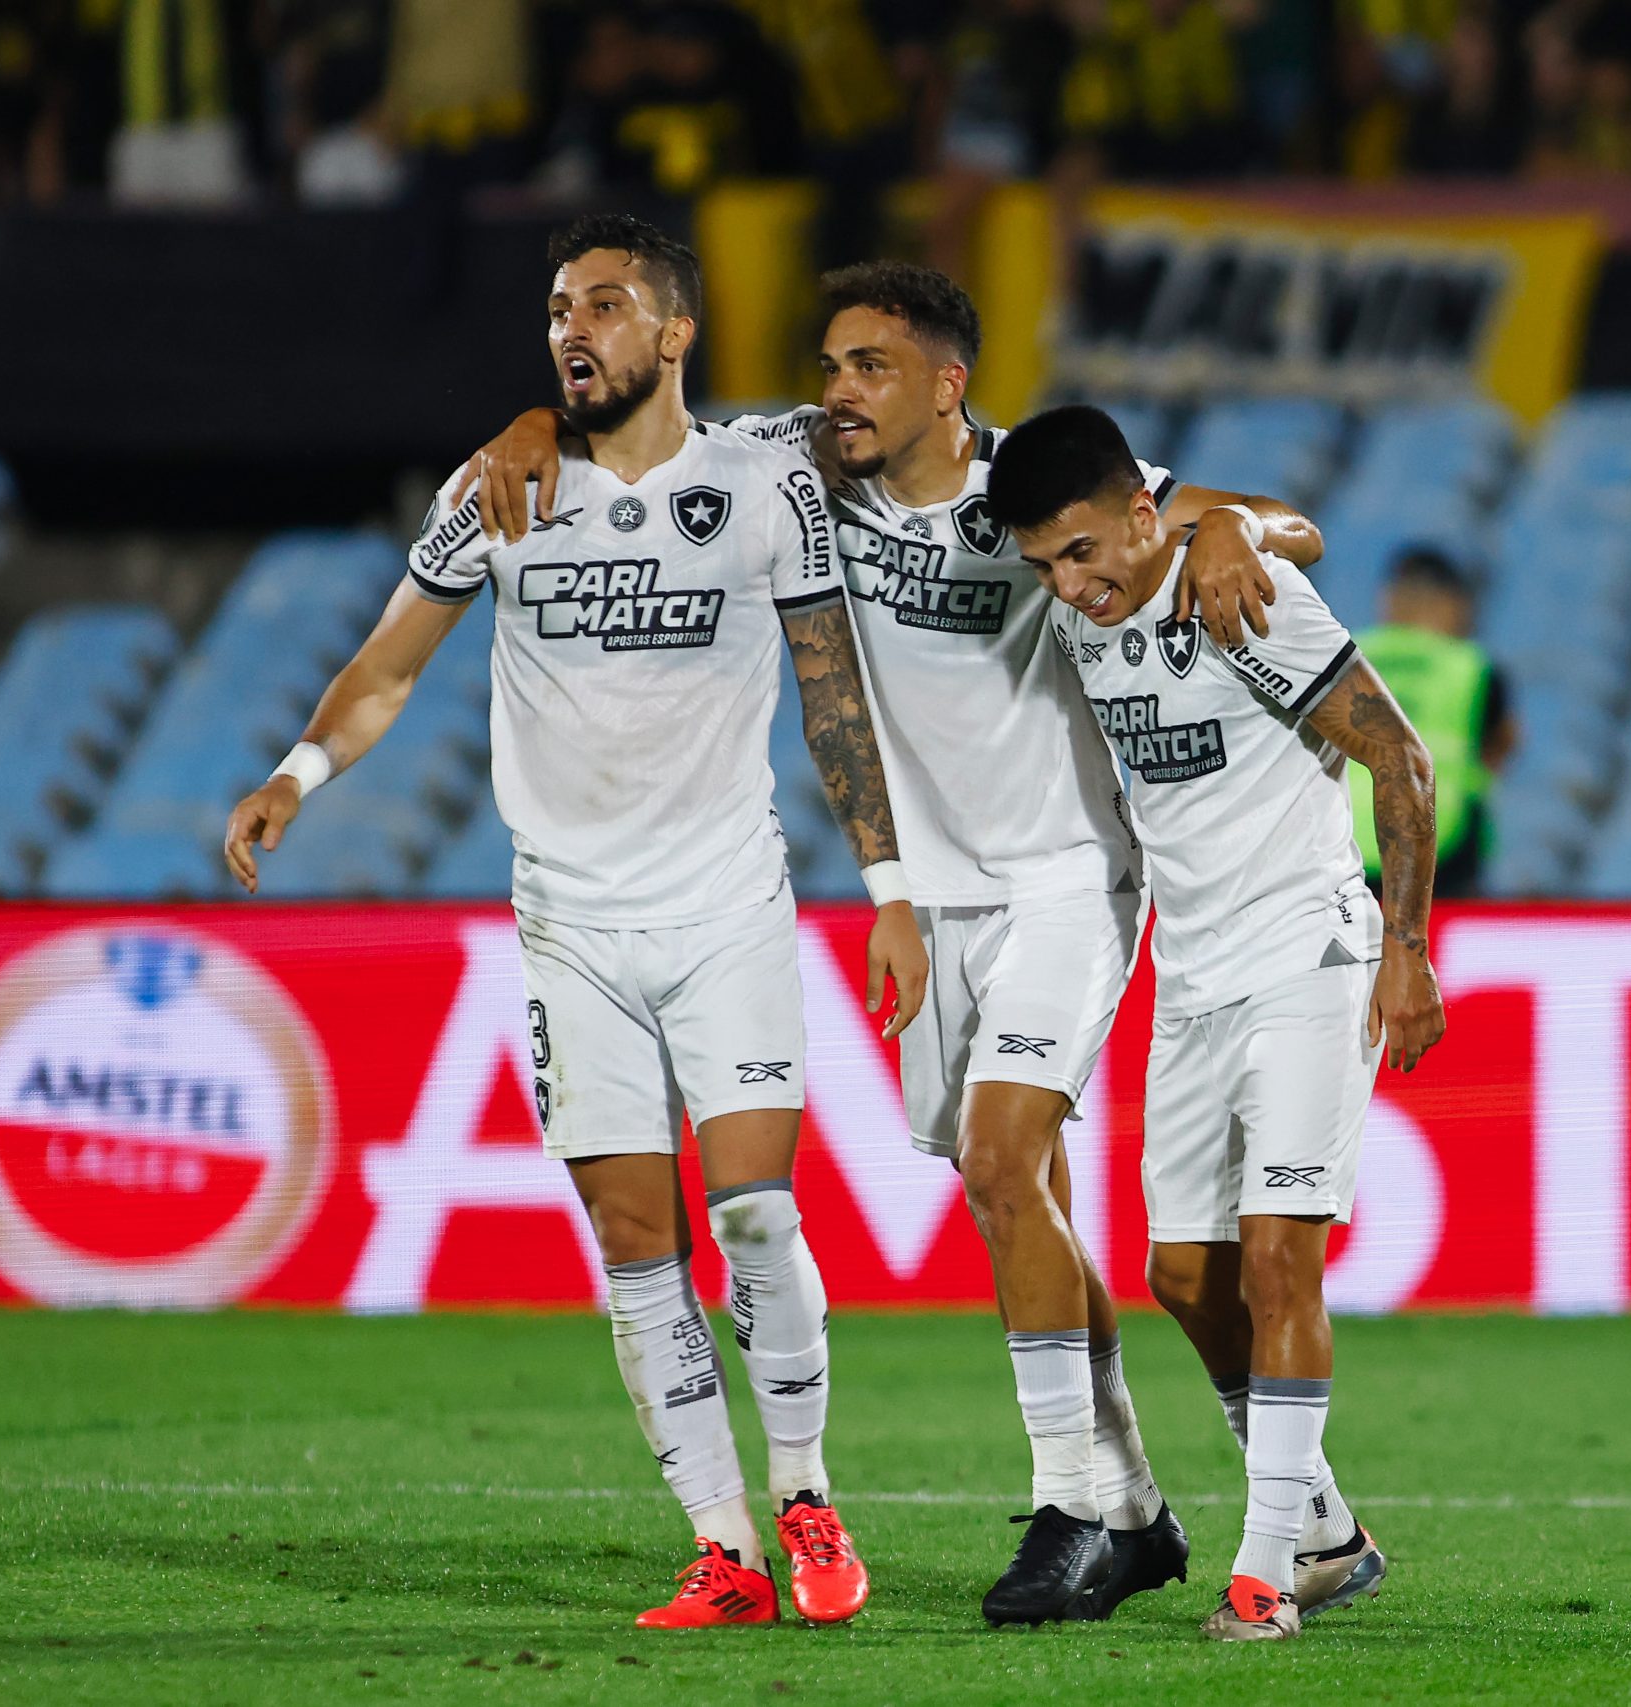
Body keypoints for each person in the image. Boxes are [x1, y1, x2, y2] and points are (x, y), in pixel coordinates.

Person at [453, 261, 1328, 1626]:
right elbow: (641, 431)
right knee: (1018, 1190)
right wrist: (530, 427)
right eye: (828, 367)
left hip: (1066, 881)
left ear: (946, 384)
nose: (836, 391)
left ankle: (1069, 1502)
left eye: (867, 366)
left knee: (1000, 1157)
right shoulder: (805, 480)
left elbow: (1279, 523)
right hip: (931, 896)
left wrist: (1241, 536)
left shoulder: (1034, 491)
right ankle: (1143, 1505)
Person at [224, 215, 924, 1631]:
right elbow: (388, 663)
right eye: (556, 309)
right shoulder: (497, 487)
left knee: (759, 1213)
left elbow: (833, 693)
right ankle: (721, 1540)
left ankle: (803, 1489)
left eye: (604, 304)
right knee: (632, 1236)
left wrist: (894, 889)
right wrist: (298, 773)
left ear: (675, 332)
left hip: (726, 901)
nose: (571, 327)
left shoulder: (765, 479)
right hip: (569, 923)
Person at [992, 403, 1446, 1642]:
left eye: (1083, 554)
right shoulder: (1100, 598)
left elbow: (1400, 765)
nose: (1069, 588)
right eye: (1044, 567)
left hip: (1309, 957)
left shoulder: (1236, 597)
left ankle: (1262, 1572)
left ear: (1146, 509)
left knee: (1281, 1255)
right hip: (1189, 979)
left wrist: (1404, 952)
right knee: (1182, 1275)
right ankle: (1326, 1530)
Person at [1348, 546, 1515, 898]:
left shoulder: (1344, 656)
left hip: (1342, 845)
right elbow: (1502, 745)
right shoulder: (1470, 666)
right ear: (1450, 603)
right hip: (1438, 850)